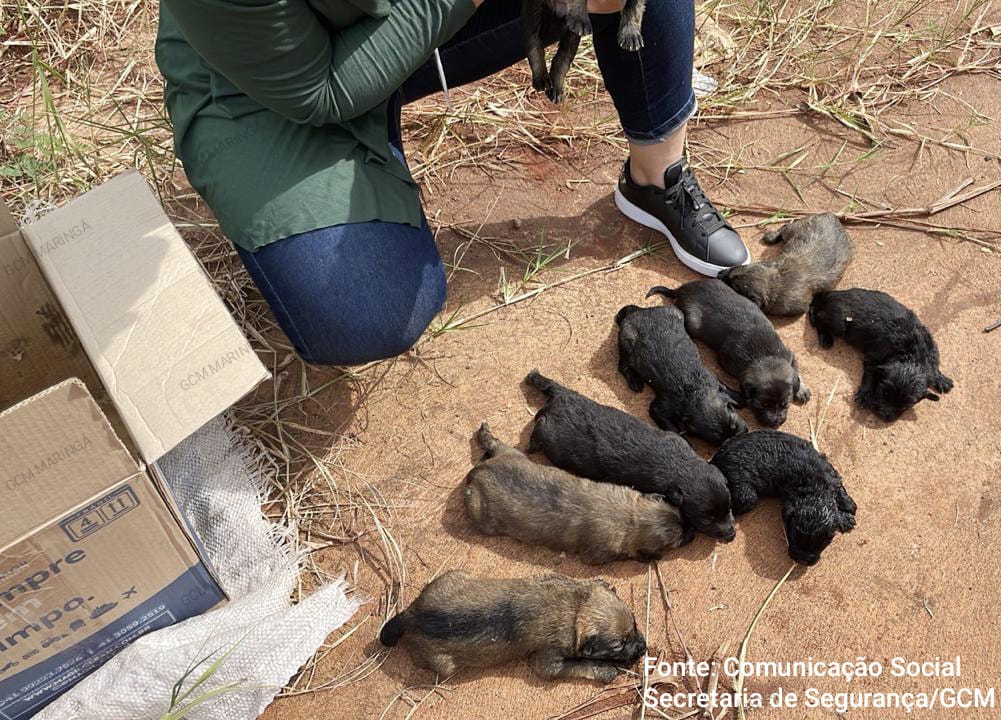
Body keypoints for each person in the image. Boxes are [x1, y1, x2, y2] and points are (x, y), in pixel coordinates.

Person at [155, 0, 749, 366]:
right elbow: (322, 92)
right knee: (367, 310)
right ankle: (341, 186)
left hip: (401, 15)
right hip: (274, 85)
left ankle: (656, 176)